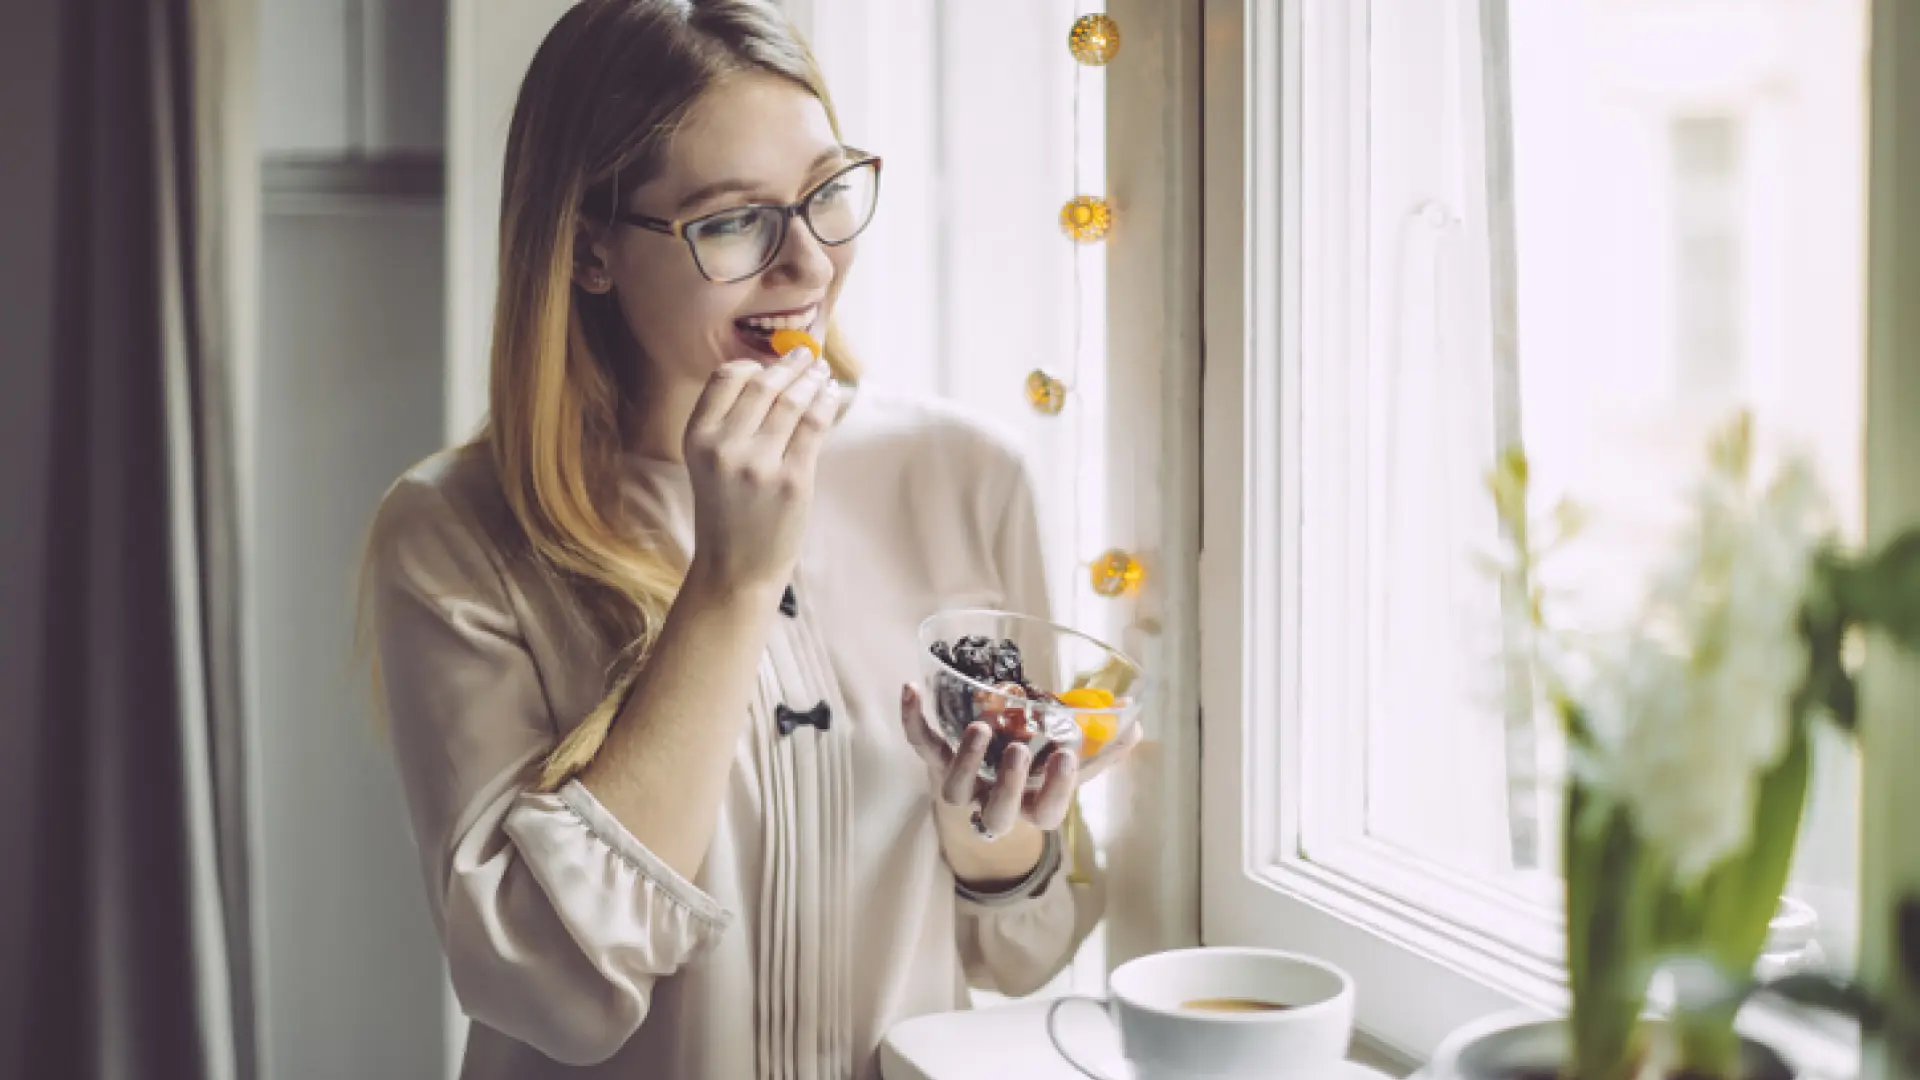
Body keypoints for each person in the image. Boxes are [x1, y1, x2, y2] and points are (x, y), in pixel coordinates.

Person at [361, 2, 1140, 1077]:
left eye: (826, 193)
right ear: (589, 250)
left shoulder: (967, 476)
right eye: (734, 221)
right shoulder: (454, 535)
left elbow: (1021, 953)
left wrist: (992, 827)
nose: (808, 265)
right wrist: (731, 582)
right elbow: (550, 991)